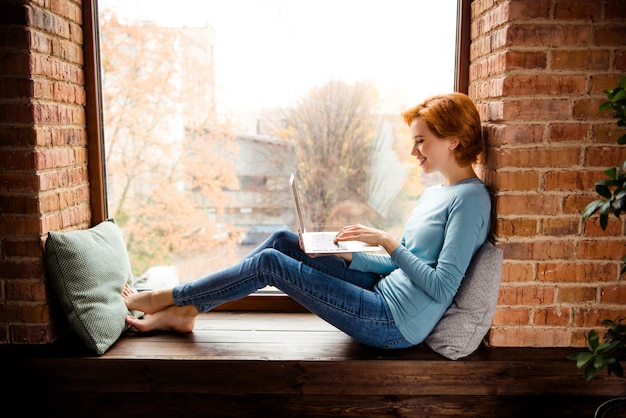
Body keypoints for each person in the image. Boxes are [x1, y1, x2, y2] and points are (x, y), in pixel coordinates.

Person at [122, 92, 492, 349]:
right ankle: (186, 310)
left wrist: (386, 240)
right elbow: (405, 264)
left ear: (454, 141)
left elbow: (442, 287)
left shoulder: (470, 200)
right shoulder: (436, 192)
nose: (413, 151)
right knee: (284, 240)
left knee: (269, 263)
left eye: (421, 141)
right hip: (379, 290)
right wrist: (352, 257)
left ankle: (167, 300)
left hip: (393, 323)